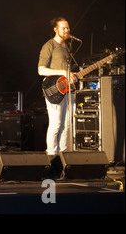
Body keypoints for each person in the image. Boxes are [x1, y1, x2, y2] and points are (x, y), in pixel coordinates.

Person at [38, 17, 78, 156]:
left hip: (68, 90)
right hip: (54, 90)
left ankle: (63, 156)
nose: (67, 30)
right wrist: (63, 72)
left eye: (68, 28)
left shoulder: (68, 46)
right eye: (64, 28)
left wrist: (72, 76)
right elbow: (41, 70)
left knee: (67, 126)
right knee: (56, 124)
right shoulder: (49, 46)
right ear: (56, 29)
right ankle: (51, 155)